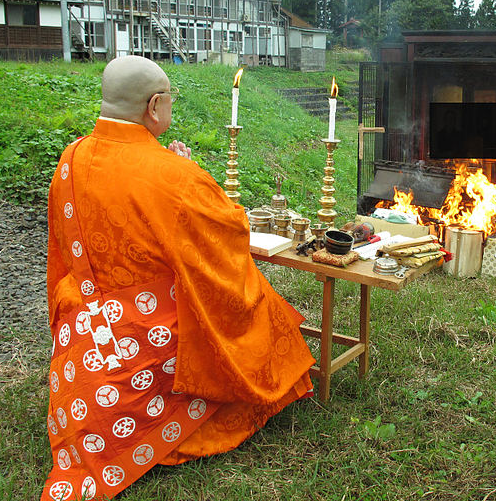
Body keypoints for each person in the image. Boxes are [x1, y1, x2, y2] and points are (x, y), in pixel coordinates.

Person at [41, 56, 315, 501]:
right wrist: (189, 173)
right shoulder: (173, 175)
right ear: (154, 106)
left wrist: (175, 173)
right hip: (147, 331)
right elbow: (229, 229)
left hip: (85, 329)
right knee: (256, 298)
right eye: (169, 100)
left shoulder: (71, 159)